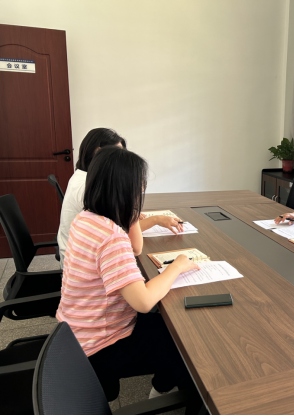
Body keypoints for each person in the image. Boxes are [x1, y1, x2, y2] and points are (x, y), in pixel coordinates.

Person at [56, 146, 203, 411]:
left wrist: (132, 214)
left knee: (168, 325)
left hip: (74, 333)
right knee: (186, 344)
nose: (142, 191)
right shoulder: (111, 236)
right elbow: (143, 302)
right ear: (127, 191)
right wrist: (177, 266)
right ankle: (167, 396)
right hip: (99, 346)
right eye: (140, 187)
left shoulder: (86, 219)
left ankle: (160, 389)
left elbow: (135, 248)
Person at [57, 127, 183, 266]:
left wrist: (127, 213)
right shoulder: (88, 187)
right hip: (82, 262)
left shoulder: (84, 176)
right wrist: (154, 219)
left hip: (79, 256)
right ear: (99, 154)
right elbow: (130, 242)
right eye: (117, 154)